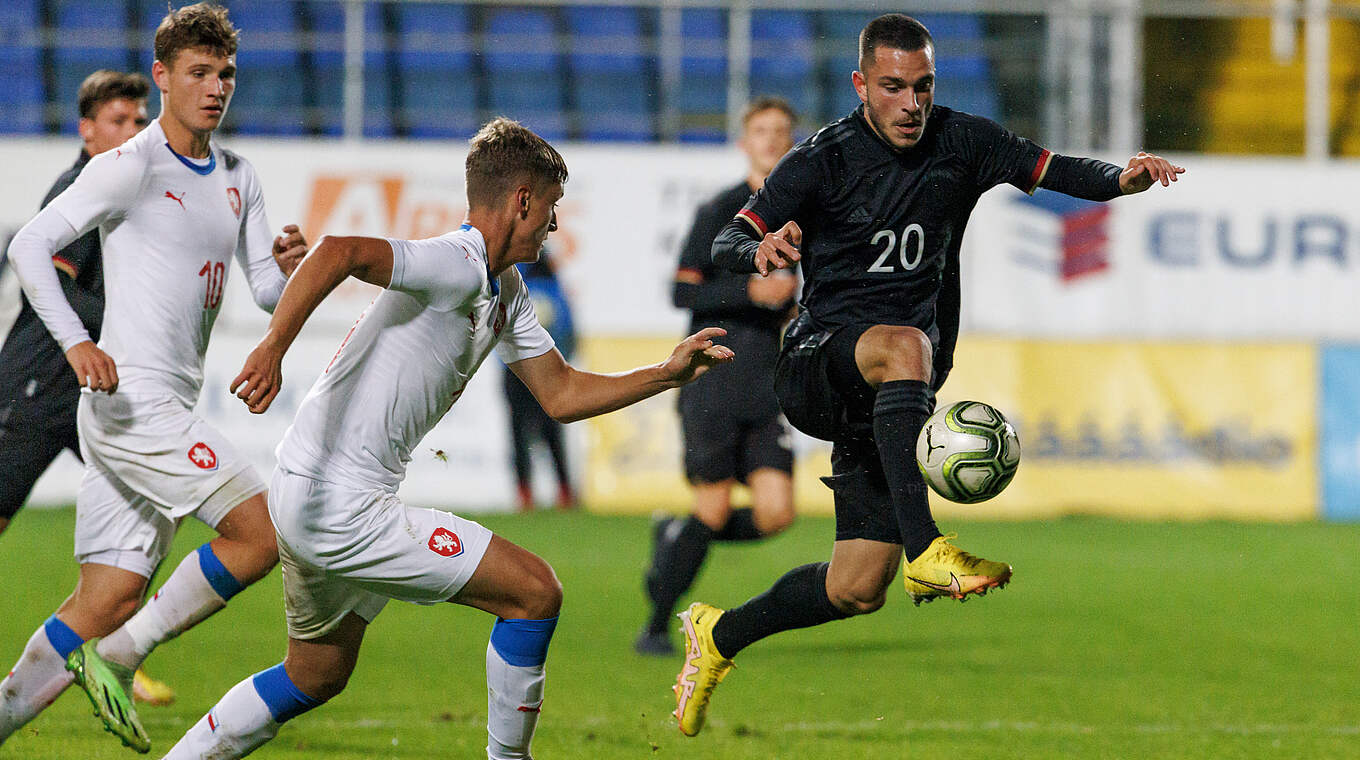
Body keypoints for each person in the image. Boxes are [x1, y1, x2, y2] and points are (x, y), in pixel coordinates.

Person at [671, 13, 1186, 736]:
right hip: (818, 365)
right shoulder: (820, 160)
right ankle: (927, 549)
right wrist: (757, 251)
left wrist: (1123, 180)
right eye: (892, 87)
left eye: (922, 86)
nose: (911, 102)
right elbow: (730, 238)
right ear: (861, 85)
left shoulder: (964, 140)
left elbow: (1061, 171)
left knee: (854, 588)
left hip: (890, 394)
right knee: (905, 343)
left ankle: (718, 634)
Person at [157, 117, 733, 760]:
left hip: (307, 493)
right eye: (551, 206)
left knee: (313, 675)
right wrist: (272, 348)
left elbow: (562, 394)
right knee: (534, 592)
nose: (555, 223)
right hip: (338, 503)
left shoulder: (505, 289)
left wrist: (666, 372)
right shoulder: (456, 263)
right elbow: (338, 251)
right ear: (521, 200)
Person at [0, 4, 308, 752]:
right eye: (198, 72)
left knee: (108, 595)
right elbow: (32, 245)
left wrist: (293, 270)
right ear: (164, 77)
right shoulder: (130, 164)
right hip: (128, 403)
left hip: (158, 404)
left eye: (225, 73)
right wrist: (76, 344)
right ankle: (123, 654)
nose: (215, 87)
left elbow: (264, 290)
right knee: (262, 532)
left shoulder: (238, 175)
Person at [0, 68, 175, 708]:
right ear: (87, 130)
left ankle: (111, 648)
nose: (133, 130)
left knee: (151, 505)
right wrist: (121, 322)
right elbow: (51, 277)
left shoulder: (125, 190)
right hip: (36, 382)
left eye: (138, 120)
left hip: (89, 394)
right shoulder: (78, 187)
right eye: (120, 121)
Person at [635, 96, 800, 657]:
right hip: (713, 383)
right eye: (761, 130)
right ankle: (656, 624)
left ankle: (677, 536)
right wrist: (750, 292)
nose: (772, 139)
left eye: (781, 131)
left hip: (767, 384)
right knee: (711, 508)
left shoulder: (804, 215)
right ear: (744, 141)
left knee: (777, 513)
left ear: (793, 141)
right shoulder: (721, 212)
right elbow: (683, 291)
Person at [501, 246, 578, 511]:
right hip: (545, 369)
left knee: (519, 435)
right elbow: (568, 329)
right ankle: (564, 493)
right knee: (552, 433)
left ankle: (525, 494)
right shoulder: (554, 288)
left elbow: (495, 327)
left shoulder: (512, 282)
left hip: (515, 371)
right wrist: (563, 361)